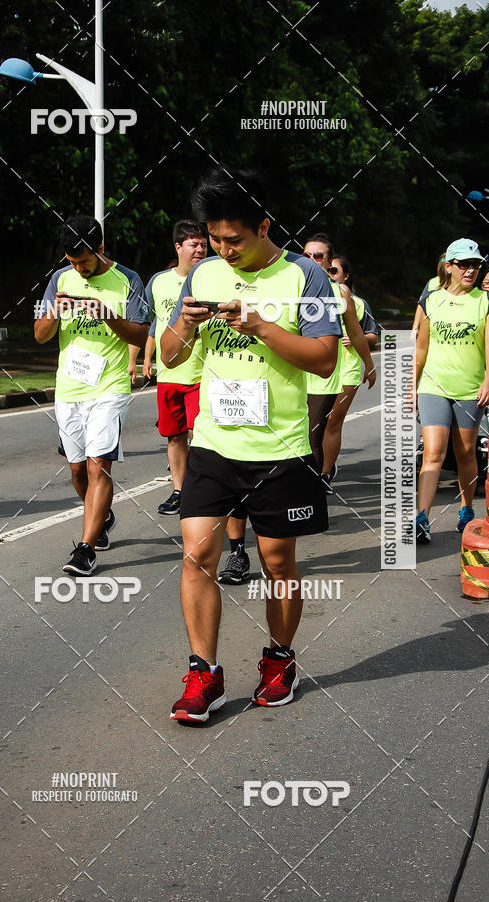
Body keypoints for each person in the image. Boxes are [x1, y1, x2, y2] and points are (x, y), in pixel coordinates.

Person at [160, 165, 342, 722]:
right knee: (196, 557)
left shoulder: (306, 278)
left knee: (277, 560)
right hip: (214, 443)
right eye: (214, 239)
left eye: (233, 239)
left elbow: (326, 357)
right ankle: (203, 674)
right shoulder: (204, 275)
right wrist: (187, 326)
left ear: (264, 226)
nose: (222, 250)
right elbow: (169, 356)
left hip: (280, 447)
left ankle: (279, 659)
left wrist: (262, 327)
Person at [34, 215, 150, 574]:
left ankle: (85, 549)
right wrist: (55, 311)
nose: (79, 268)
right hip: (69, 388)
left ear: (100, 249)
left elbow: (140, 336)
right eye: (72, 262)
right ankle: (101, 516)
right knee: (77, 469)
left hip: (109, 387)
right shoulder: (60, 279)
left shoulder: (128, 280)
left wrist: (108, 315)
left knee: (99, 465)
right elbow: (40, 334)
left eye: (84, 260)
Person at [415, 238, 489, 543]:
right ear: (449, 267)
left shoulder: (484, 302)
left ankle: (466, 508)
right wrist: (411, 386)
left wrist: (488, 380)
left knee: (466, 452)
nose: (470, 270)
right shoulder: (432, 300)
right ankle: (421, 518)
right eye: (463, 264)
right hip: (433, 385)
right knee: (433, 452)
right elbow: (420, 347)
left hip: (470, 388)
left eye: (475, 265)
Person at [139, 220, 208, 515]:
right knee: (175, 436)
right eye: (194, 244)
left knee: (201, 436)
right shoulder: (158, 281)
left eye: (203, 244)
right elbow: (151, 323)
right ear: (178, 247)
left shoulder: (212, 277)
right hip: (169, 373)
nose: (200, 249)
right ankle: (179, 491)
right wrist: (142, 358)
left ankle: (203, 491)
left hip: (203, 373)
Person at [303, 233, 376, 486]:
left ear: (328, 261)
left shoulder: (341, 293)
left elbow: (357, 332)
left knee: (324, 424)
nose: (312, 260)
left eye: (318, 256)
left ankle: (321, 475)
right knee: (305, 427)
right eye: (307, 255)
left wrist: (370, 365)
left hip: (338, 371)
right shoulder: (291, 288)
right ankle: (306, 478)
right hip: (300, 370)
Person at [320, 255, 378, 482]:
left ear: (346, 275)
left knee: (333, 420)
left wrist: (359, 344)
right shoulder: (301, 296)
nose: (330, 274)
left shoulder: (358, 303)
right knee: (313, 422)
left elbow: (372, 335)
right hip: (314, 369)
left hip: (346, 369)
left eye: (334, 271)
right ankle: (312, 468)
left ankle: (325, 473)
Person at [412, 254, 447, 336]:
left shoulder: (459, 285)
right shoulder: (433, 282)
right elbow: (421, 304)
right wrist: (415, 327)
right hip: (431, 326)